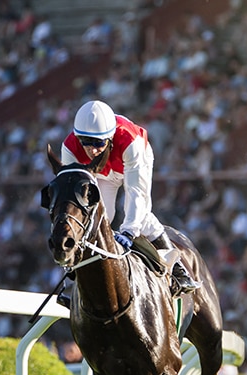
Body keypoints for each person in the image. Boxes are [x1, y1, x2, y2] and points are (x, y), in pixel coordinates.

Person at [60, 100, 200, 296]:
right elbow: (76, 197)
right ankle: (77, 277)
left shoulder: (129, 142)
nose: (92, 150)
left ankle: (177, 269)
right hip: (102, 173)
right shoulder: (69, 149)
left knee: (140, 218)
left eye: (98, 143)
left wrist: (128, 232)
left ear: (110, 138)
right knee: (95, 217)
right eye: (85, 142)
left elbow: (136, 193)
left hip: (134, 163)